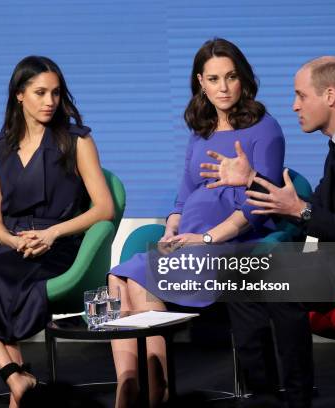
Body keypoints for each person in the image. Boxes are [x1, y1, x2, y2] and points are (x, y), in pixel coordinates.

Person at [199, 57, 335, 407]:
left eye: (301, 96)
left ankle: (296, 397)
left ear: (331, 96)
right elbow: (314, 205)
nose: (294, 105)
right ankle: (264, 396)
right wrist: (251, 180)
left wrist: (301, 210)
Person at [107, 38, 286, 407]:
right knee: (119, 277)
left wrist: (207, 238)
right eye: (214, 78)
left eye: (231, 77)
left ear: (244, 79)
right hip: (190, 240)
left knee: (140, 277)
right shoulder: (199, 132)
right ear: (200, 82)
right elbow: (183, 197)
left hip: (230, 243)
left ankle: (156, 395)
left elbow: (261, 200)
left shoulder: (265, 128)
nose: (223, 87)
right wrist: (172, 230)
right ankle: (132, 386)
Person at [0, 56, 114, 408]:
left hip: (61, 247)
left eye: (55, 93)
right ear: (19, 95)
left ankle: (16, 383)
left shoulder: (77, 141)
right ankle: (15, 376)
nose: (50, 101)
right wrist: (15, 241)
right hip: (15, 245)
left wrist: (52, 235)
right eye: (40, 92)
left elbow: (104, 208)